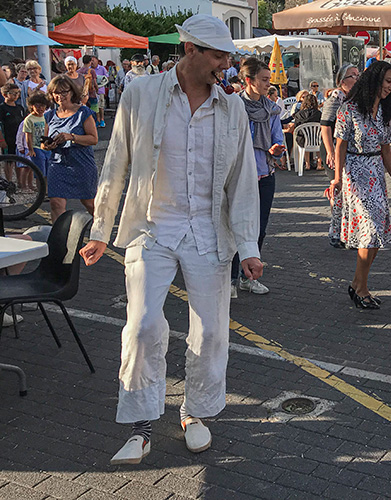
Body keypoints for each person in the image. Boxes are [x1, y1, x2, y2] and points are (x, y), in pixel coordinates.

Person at [78, 14, 263, 466]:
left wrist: (250, 246)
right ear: (191, 50)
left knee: (213, 330)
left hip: (208, 231)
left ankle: (195, 412)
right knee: (141, 326)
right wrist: (101, 229)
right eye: (219, 55)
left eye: (229, 56)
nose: (227, 65)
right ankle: (142, 424)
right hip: (151, 227)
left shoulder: (232, 107)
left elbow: (242, 182)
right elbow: (116, 159)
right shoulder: (141, 92)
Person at [329, 61, 391, 309]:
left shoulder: (385, 110)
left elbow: (386, 148)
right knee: (368, 231)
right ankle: (361, 288)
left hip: (375, 173)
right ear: (375, 79)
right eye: (388, 81)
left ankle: (358, 284)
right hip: (355, 173)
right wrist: (337, 178)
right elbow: (340, 145)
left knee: (377, 234)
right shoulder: (348, 108)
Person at [230, 57, 285, 298]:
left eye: (268, 80)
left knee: (259, 229)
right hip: (239, 175)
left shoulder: (271, 108)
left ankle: (248, 278)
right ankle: (230, 279)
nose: (267, 84)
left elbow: (277, 138)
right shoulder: (234, 106)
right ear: (249, 81)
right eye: (263, 80)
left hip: (264, 173)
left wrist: (277, 147)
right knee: (235, 228)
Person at [41, 75, 98, 223]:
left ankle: (101, 231)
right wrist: (48, 145)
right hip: (58, 164)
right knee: (56, 204)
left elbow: (93, 139)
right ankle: (59, 240)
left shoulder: (83, 113)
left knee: (89, 203)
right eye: (56, 93)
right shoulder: (49, 115)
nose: (60, 96)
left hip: (81, 163)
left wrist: (72, 137)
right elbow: (43, 143)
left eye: (63, 92)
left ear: (72, 92)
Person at [321, 64, 359, 248]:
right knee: (337, 190)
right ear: (342, 81)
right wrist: (329, 151)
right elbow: (325, 125)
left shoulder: (356, 98)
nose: (357, 78)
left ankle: (347, 230)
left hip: (349, 150)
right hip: (334, 148)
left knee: (349, 191)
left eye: (358, 75)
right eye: (353, 75)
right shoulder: (336, 97)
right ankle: (335, 231)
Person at [22, 92, 51, 189]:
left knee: (48, 170)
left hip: (46, 147)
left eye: (42, 106)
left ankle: (47, 190)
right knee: (40, 171)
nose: (40, 108)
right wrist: (30, 149)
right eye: (37, 106)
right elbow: (28, 135)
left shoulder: (46, 117)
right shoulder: (29, 119)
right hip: (36, 147)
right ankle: (41, 191)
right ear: (32, 106)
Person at [286, 93, 321, 170]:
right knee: (319, 140)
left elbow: (296, 126)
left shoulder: (299, 114)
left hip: (303, 140)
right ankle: (319, 164)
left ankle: (307, 164)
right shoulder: (319, 114)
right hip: (317, 139)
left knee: (304, 138)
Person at [1, 83, 25, 186]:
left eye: (17, 93)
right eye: (13, 93)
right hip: (7, 137)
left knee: (19, 161)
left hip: (19, 138)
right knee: (9, 161)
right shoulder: (2, 108)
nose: (16, 95)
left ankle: (20, 182)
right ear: (5, 94)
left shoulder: (19, 108)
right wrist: (1, 140)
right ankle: (9, 182)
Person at [77, 55, 99, 123]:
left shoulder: (78, 71)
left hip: (81, 94)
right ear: (90, 62)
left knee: (82, 111)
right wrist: (97, 90)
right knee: (94, 111)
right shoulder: (91, 71)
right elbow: (95, 83)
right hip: (91, 93)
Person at [92, 56, 109, 127]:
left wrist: (101, 82)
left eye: (93, 60)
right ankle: (97, 120)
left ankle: (102, 120)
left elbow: (106, 78)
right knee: (95, 106)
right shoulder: (90, 69)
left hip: (100, 90)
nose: (92, 62)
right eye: (91, 60)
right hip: (92, 91)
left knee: (101, 106)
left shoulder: (102, 68)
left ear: (97, 60)